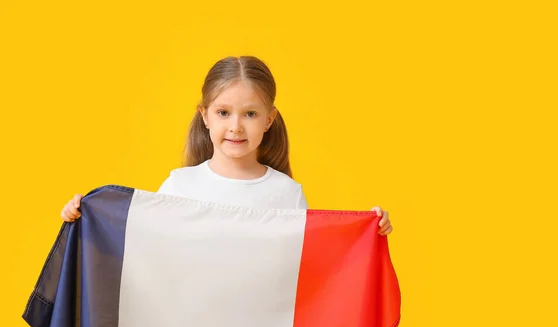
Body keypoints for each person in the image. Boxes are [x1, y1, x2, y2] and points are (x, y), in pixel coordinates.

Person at [60, 56, 393, 235]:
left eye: (250, 113)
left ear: (269, 119)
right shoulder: (180, 186)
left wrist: (368, 232)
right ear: (206, 116)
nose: (235, 126)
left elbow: (315, 268)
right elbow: (139, 246)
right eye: (223, 112)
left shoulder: (287, 194)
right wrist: (86, 216)